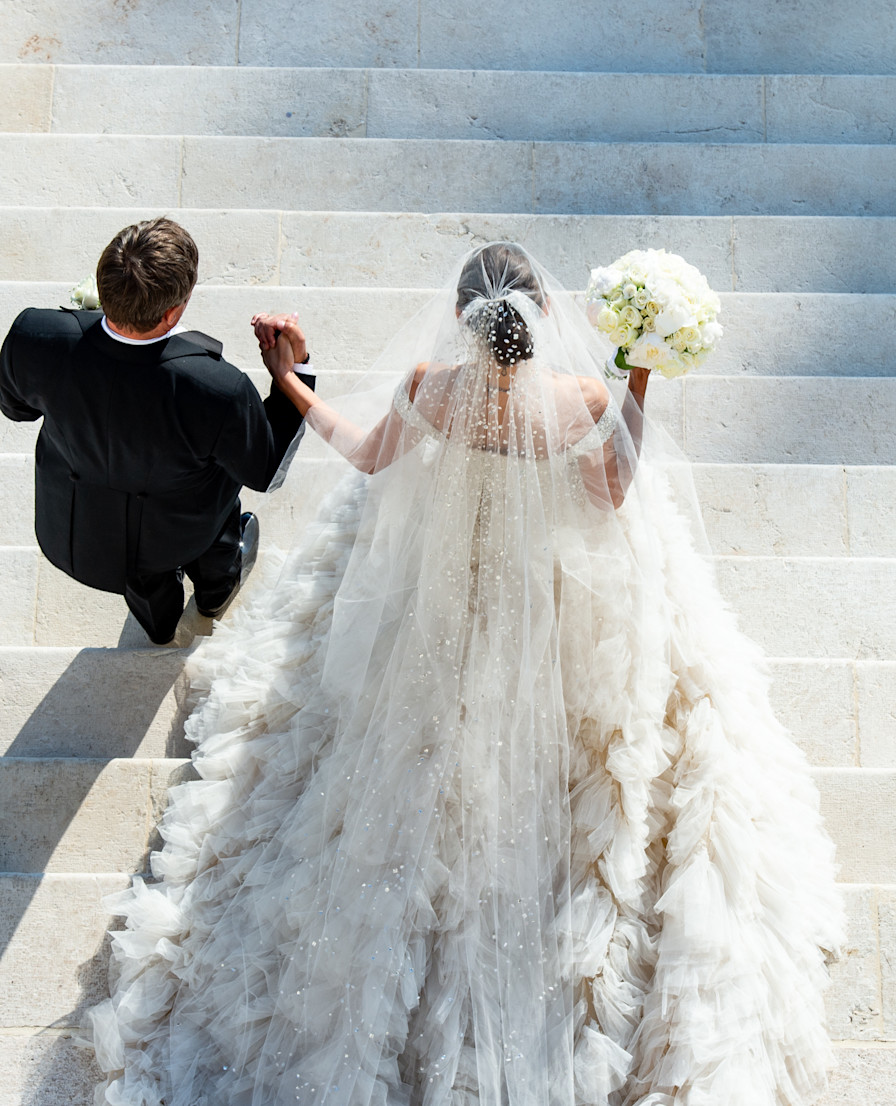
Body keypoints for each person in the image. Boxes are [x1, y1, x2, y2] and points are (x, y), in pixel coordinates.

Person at [87, 243, 843, 1105]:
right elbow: (611, 491)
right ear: (543, 319)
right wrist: (639, 373)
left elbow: (369, 456)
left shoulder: (429, 387)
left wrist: (292, 380)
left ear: (459, 318)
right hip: (545, 599)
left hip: (440, 596)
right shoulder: (581, 397)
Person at [0, 217, 315, 645]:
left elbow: (15, 408)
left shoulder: (34, 336)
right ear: (172, 313)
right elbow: (265, 468)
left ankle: (160, 626)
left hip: (79, 526)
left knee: (146, 584)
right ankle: (215, 592)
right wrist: (293, 372)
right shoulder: (217, 387)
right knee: (218, 511)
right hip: (183, 530)